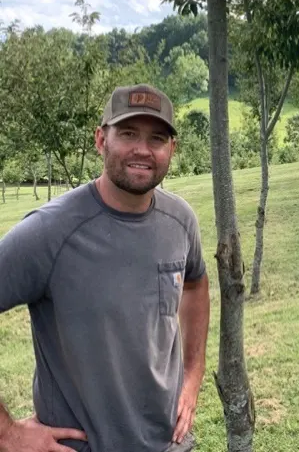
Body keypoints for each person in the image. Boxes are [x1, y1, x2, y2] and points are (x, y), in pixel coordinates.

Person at [0, 84, 210, 452]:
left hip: (171, 444)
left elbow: (194, 283)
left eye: (157, 138)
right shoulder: (51, 232)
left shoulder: (180, 221)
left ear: (172, 150)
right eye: (128, 133)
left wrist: (193, 375)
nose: (143, 150)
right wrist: (7, 433)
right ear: (101, 139)